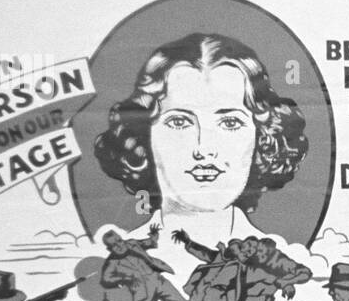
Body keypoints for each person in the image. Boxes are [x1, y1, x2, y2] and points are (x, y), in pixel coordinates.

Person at [93, 33, 308, 251]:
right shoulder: (120, 256)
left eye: (230, 122)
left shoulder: (280, 257)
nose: (204, 149)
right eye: (179, 122)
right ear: (143, 135)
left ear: (262, 135)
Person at [99, 224, 186, 301]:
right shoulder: (112, 262)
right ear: (109, 249)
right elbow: (106, 279)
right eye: (114, 245)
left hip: (157, 280)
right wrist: (125, 278)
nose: (119, 245)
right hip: (142, 290)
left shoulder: (133, 243)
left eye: (119, 241)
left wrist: (154, 235)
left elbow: (149, 243)